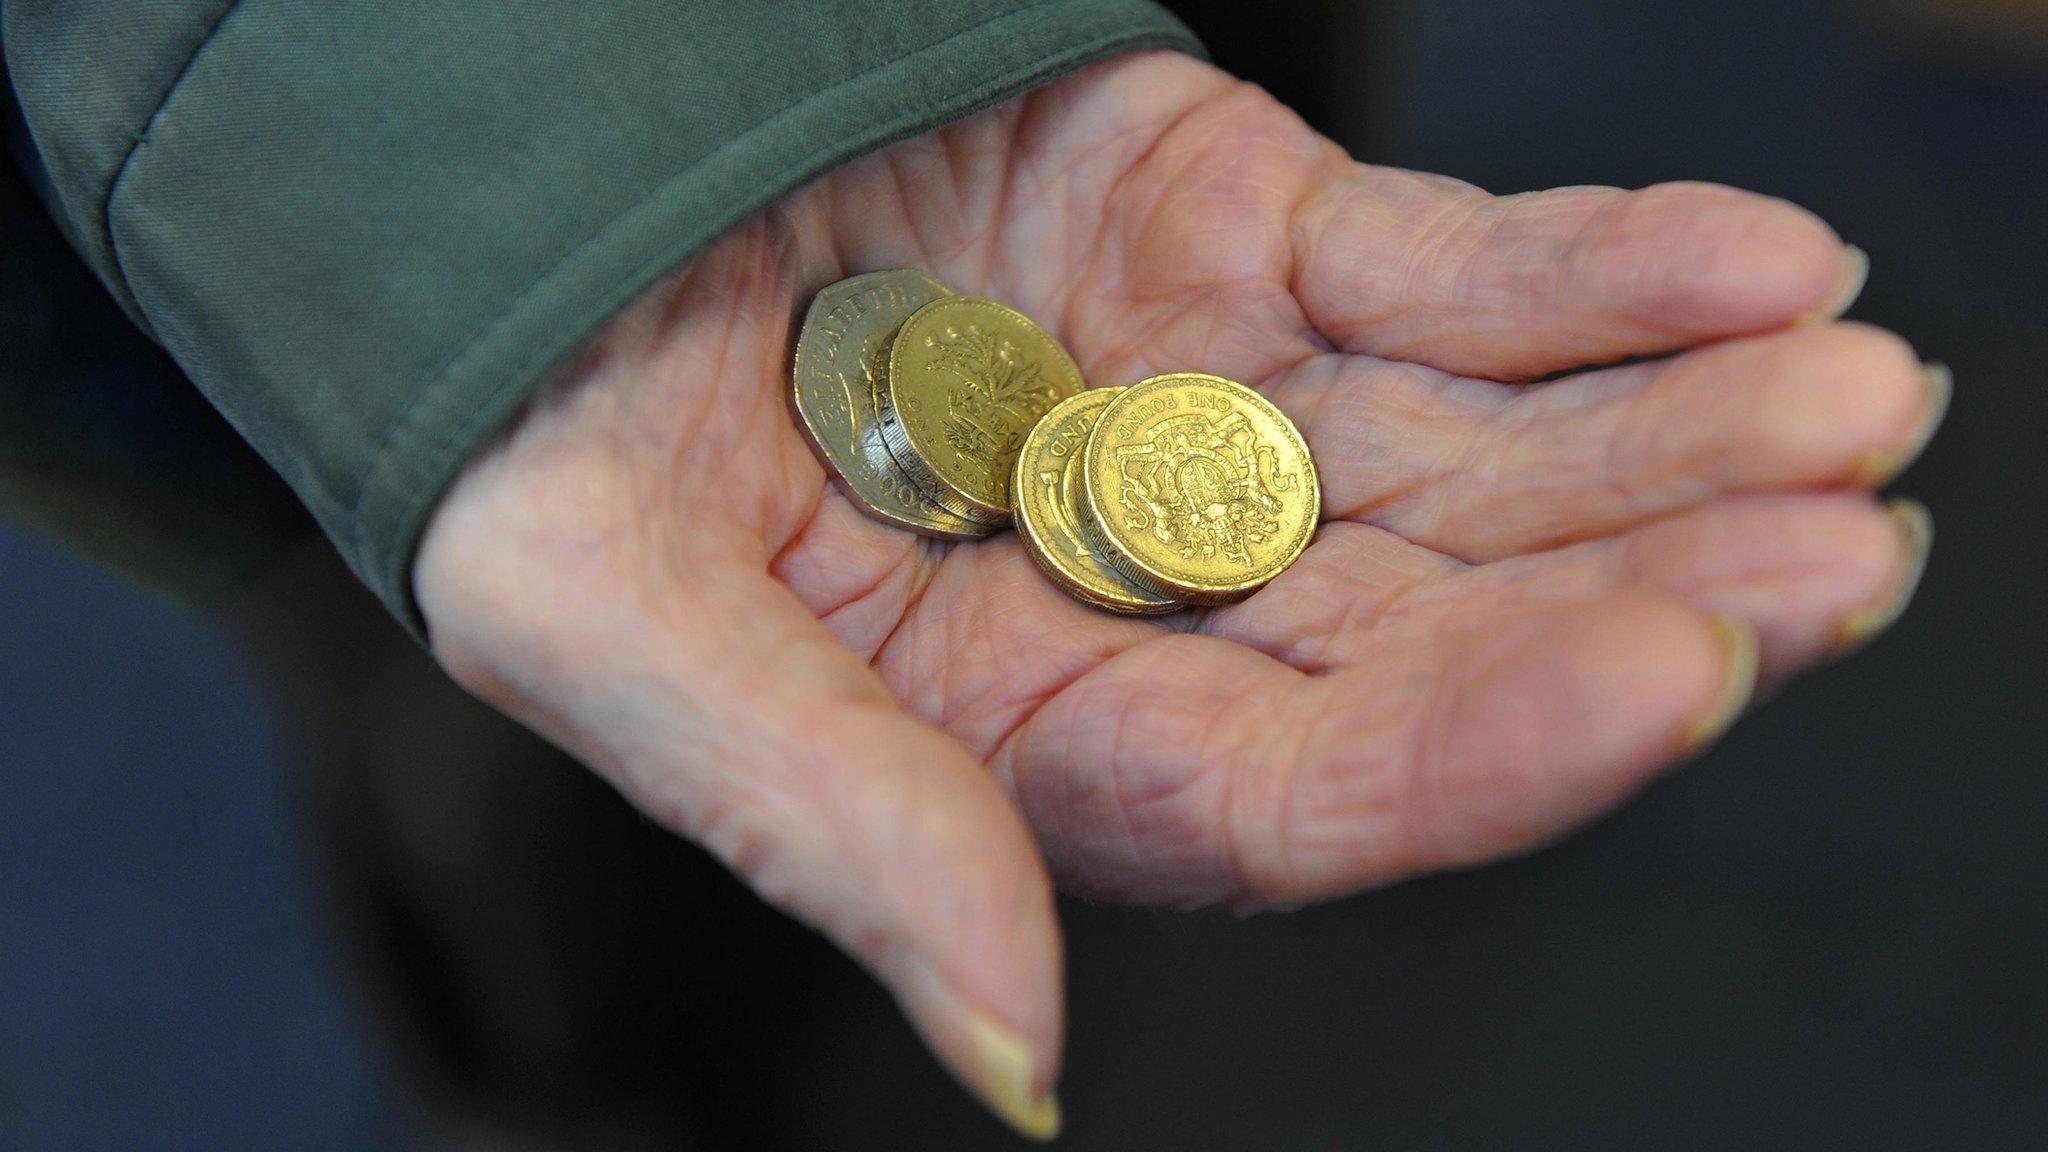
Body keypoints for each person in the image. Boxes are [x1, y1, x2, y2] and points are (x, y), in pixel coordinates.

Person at [4, 1, 1943, 1140]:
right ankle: (571, 1074)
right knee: (518, 766)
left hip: (1113, 70)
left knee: (1254, 111)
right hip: (372, 173)